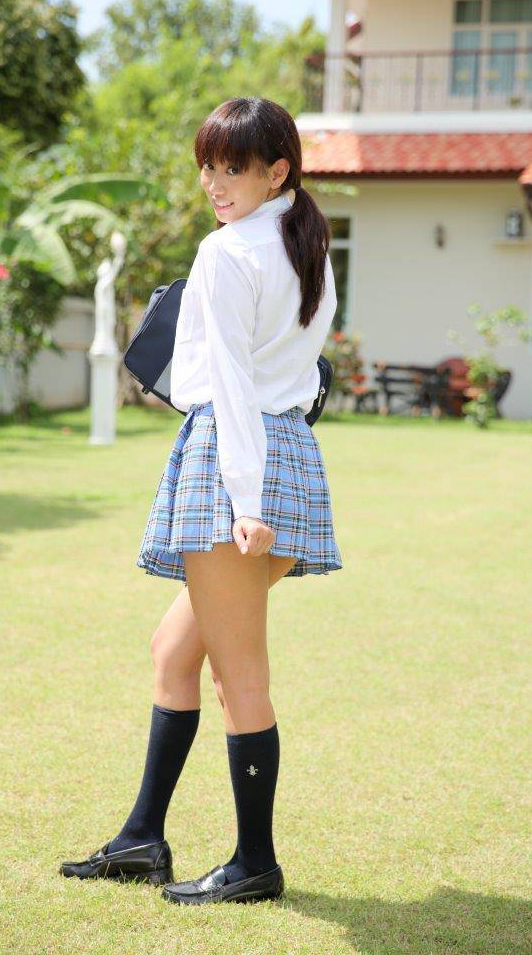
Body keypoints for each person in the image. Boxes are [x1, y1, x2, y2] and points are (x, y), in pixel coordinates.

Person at [59, 96, 343, 904]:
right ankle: (142, 839)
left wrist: (245, 500)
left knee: (238, 675)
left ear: (276, 172)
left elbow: (232, 384)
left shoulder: (229, 251)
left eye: (233, 169)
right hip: (288, 457)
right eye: (208, 168)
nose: (215, 185)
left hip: (237, 465)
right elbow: (301, 372)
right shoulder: (308, 248)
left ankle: (255, 864)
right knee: (172, 652)